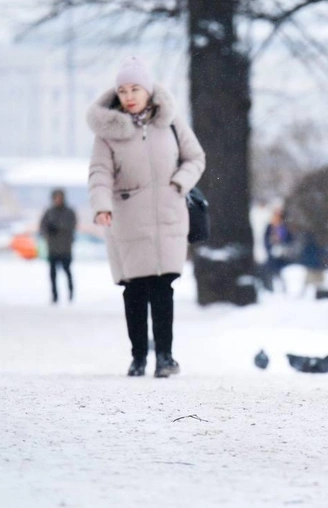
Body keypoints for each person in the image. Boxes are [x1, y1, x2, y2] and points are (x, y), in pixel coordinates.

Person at [87, 56, 205, 378]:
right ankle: (139, 356)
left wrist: (180, 182)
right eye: (123, 90)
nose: (129, 95)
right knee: (136, 290)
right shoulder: (108, 132)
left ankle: (165, 358)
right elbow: (99, 172)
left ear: (148, 90)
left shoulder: (170, 121)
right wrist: (101, 205)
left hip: (169, 214)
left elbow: (195, 157)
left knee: (164, 287)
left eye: (135, 88)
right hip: (129, 217)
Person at [39, 188, 77, 303]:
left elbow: (72, 226)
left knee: (67, 272)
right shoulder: (49, 212)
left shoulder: (69, 212)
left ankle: (71, 294)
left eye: (60, 197)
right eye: (56, 197)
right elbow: (42, 227)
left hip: (65, 249)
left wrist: (58, 228)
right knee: (52, 275)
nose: (58, 200)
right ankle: (55, 296)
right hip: (53, 249)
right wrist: (48, 232)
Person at [263, 207, 293, 292]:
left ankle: (283, 289)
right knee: (270, 271)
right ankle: (270, 289)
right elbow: (265, 240)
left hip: (283, 255)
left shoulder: (284, 227)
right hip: (272, 254)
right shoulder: (269, 227)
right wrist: (270, 247)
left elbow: (289, 239)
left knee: (282, 272)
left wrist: (283, 246)